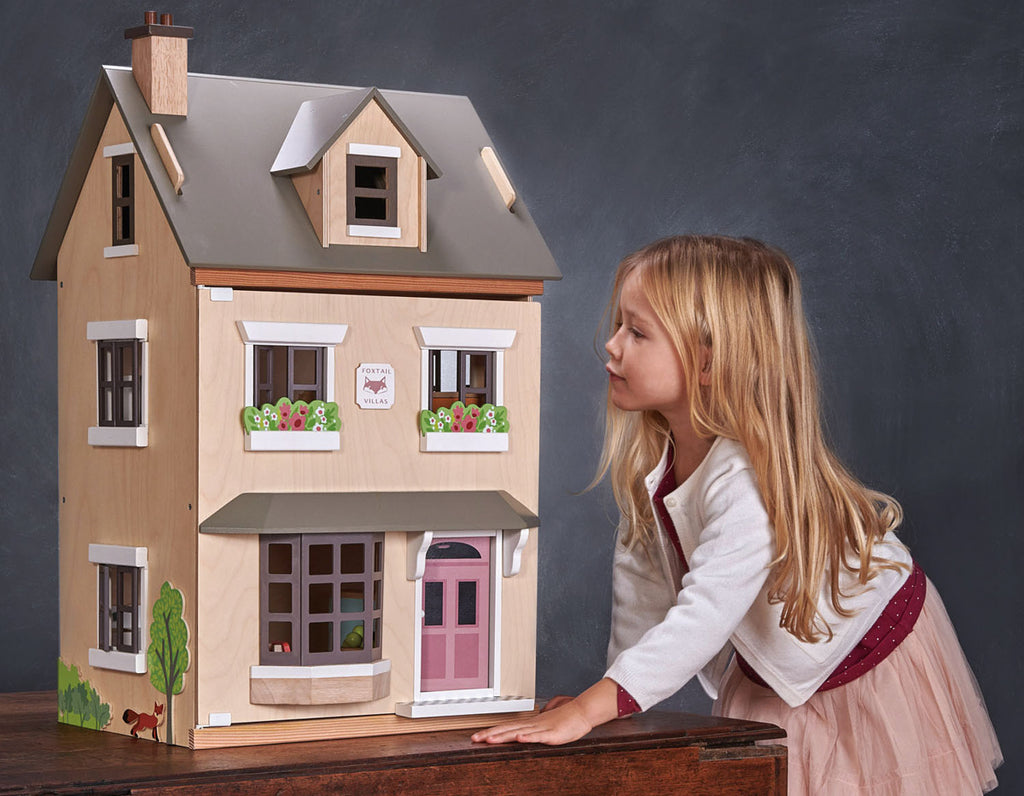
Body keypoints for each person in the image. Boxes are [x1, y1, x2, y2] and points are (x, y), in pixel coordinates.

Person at [472, 235, 1002, 794]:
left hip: (868, 661)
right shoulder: (660, 466)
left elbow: (705, 613)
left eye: (637, 332)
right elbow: (643, 595)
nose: (611, 345)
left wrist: (588, 711)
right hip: (781, 664)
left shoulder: (743, 478)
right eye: (620, 325)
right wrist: (607, 699)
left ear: (707, 362)